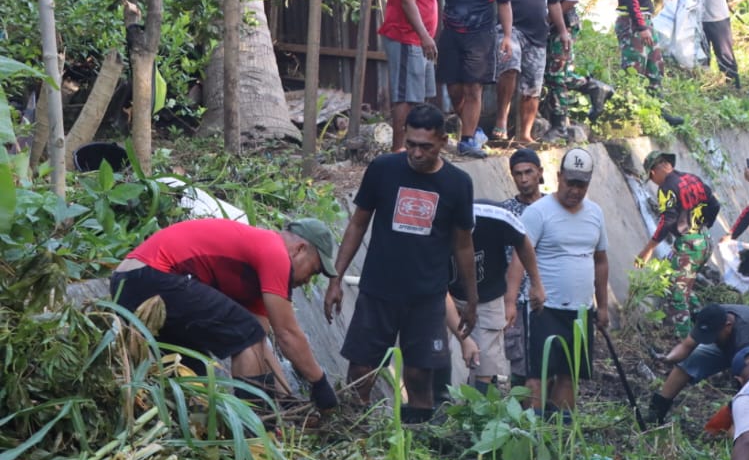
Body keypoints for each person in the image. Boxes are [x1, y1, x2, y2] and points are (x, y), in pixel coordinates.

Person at [324, 104, 478, 424]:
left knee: (420, 374)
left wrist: (472, 300)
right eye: (411, 144)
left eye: (426, 146)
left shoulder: (458, 183)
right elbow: (357, 224)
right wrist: (335, 278)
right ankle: (355, 434)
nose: (416, 153)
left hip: (427, 297)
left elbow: (464, 244)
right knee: (361, 369)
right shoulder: (383, 169)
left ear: (444, 142)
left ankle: (417, 443)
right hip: (378, 290)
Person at [110, 218, 340, 414]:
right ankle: (255, 436)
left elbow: (261, 344)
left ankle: (195, 439)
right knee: (245, 334)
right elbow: (287, 334)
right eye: (314, 270)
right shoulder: (274, 250)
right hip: (151, 276)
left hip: (130, 284)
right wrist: (319, 383)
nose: (308, 280)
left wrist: (287, 401)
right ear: (300, 249)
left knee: (195, 375)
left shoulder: (256, 275)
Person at [520, 147, 610, 418]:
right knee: (538, 374)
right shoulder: (539, 212)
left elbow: (601, 260)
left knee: (569, 373)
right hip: (544, 308)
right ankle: (530, 429)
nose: (575, 190)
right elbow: (519, 258)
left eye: (581, 184)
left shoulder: (595, 213)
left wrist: (602, 305)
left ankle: (562, 431)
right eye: (570, 182)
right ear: (559, 177)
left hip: (581, 310)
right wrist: (514, 298)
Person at [442, 200, 545, 398]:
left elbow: (523, 242)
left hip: (488, 296)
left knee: (487, 360)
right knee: (446, 355)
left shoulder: (496, 217)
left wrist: (535, 283)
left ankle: (478, 410)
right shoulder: (440, 225)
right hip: (448, 295)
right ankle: (448, 405)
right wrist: (463, 338)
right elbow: (437, 287)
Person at [436, 0, 513, 158]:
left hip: (480, 37)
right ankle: (475, 129)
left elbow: (504, 2)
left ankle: (467, 140)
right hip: (450, 35)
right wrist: (432, 30)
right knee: (455, 89)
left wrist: (507, 36)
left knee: (473, 88)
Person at [378, 0, 451, 153]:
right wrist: (425, 36)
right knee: (404, 97)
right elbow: (408, 2)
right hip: (406, 38)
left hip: (417, 40)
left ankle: (419, 145)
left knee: (419, 96)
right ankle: (398, 149)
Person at [495, 0, 570, 145]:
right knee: (510, 67)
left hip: (537, 34)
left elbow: (555, 3)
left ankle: (525, 134)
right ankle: (501, 120)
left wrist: (564, 31)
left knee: (533, 86)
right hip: (510, 30)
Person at [635, 151, 721, 338]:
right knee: (681, 281)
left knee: (677, 295)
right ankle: (702, 324)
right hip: (704, 241)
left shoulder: (667, 188)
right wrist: (703, 226)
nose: (653, 181)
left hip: (689, 246)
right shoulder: (693, 178)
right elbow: (715, 205)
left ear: (656, 170)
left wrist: (648, 249)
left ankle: (687, 344)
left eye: (651, 176)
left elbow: (667, 220)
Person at [538, 0, 613, 138]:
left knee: (556, 76)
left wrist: (550, 19)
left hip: (563, 25)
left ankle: (561, 125)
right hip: (555, 25)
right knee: (554, 77)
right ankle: (593, 89)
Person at [501, 148, 545, 388]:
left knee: (548, 357)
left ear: (540, 172)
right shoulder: (505, 212)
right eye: (518, 174)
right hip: (516, 297)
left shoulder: (553, 207)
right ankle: (523, 414)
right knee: (518, 358)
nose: (524, 179)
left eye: (529, 172)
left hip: (547, 295)